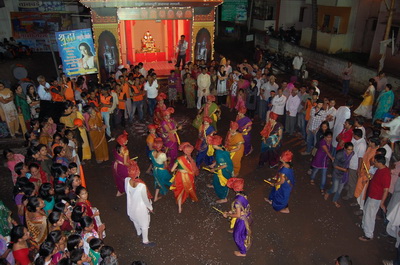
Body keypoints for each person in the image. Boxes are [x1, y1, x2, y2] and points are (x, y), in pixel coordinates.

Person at [359, 155, 390, 241]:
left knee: (370, 215)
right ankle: (364, 226)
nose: (374, 163)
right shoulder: (380, 170)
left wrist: (382, 203)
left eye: (375, 162)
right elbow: (375, 179)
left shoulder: (386, 174)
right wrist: (370, 177)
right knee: (366, 211)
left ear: (380, 163)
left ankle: (368, 235)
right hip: (372, 195)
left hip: (376, 197)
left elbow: (386, 190)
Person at [222, 178, 252, 257]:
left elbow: (238, 215)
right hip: (247, 215)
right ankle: (236, 230)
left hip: (242, 220)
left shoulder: (237, 201)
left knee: (237, 236)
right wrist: (232, 212)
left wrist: (228, 214)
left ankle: (243, 252)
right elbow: (242, 208)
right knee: (241, 230)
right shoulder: (244, 194)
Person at [125, 170, 155, 247]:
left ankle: (138, 232)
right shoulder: (141, 186)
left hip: (131, 204)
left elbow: (127, 191)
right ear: (138, 173)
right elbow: (145, 199)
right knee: (145, 224)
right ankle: (145, 241)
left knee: (135, 219)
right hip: (140, 207)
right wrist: (150, 207)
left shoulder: (127, 180)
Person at [170, 142, 199, 213]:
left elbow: (172, 170)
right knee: (190, 187)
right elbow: (194, 170)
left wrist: (179, 169)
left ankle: (179, 207)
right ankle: (192, 198)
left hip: (180, 176)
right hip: (189, 176)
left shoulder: (179, 159)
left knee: (179, 190)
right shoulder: (192, 160)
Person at [324, 142, 354, 208]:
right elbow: (334, 165)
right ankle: (328, 192)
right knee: (335, 189)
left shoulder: (352, 154)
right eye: (349, 149)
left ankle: (335, 200)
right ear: (345, 149)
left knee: (339, 189)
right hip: (337, 173)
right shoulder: (340, 154)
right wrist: (344, 170)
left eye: (351, 149)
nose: (350, 151)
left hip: (344, 175)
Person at [206, 135, 233, 203]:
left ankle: (224, 198)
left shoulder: (219, 154)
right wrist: (214, 164)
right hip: (220, 167)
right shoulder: (221, 148)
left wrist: (214, 169)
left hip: (224, 171)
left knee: (223, 183)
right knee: (216, 178)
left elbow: (224, 165)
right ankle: (215, 185)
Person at [342, 129, 367, 201]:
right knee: (350, 179)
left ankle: (350, 195)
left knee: (352, 182)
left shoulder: (361, 144)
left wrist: (358, 168)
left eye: (353, 135)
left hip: (354, 165)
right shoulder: (356, 140)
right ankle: (348, 189)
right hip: (351, 163)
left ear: (356, 135)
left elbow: (360, 158)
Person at [149, 138, 171, 202]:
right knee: (168, 178)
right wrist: (166, 154)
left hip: (155, 170)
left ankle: (155, 197)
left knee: (157, 181)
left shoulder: (152, 152)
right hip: (162, 170)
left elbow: (151, 159)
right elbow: (166, 164)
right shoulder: (163, 155)